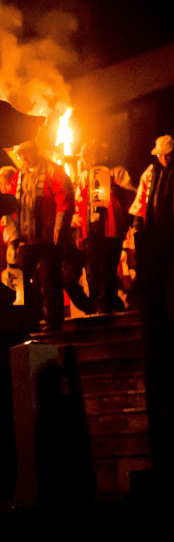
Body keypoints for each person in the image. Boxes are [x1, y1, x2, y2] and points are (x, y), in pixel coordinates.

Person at [135, 135, 174, 496]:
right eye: (161, 155)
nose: (164, 159)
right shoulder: (154, 173)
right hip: (157, 239)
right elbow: (144, 202)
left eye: (167, 154)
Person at [14, 139, 73, 332]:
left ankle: (54, 321)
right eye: (21, 155)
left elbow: (64, 200)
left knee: (50, 279)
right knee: (20, 279)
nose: (24, 158)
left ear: (36, 152)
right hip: (25, 237)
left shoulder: (53, 171)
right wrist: (13, 237)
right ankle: (26, 321)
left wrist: (59, 229)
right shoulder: (18, 176)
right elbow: (12, 207)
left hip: (48, 237)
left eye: (27, 153)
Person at [75, 141, 135, 314]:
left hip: (112, 228)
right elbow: (79, 204)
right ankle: (99, 303)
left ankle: (110, 301)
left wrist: (114, 187)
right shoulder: (84, 177)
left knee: (109, 266)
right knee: (94, 267)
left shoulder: (116, 172)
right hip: (91, 229)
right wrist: (79, 232)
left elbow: (130, 195)